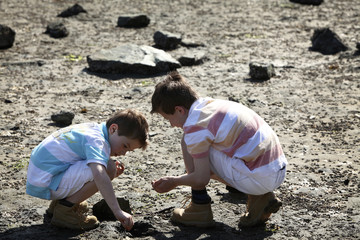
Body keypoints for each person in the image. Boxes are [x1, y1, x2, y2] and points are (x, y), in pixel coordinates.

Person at [150, 71, 287, 228]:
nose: (171, 125)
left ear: (179, 110)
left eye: (168, 119)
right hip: (277, 168)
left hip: (261, 177)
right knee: (200, 144)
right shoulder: (210, 105)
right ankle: (259, 197)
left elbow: (201, 179)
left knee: (188, 143)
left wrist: (174, 181)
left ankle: (199, 207)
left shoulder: (195, 126)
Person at [26, 109, 149, 231]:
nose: (123, 153)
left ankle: (58, 204)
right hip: (47, 181)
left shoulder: (94, 129)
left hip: (43, 176)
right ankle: (65, 210)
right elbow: (99, 174)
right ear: (113, 129)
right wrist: (117, 211)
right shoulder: (97, 141)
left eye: (128, 150)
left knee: (106, 166)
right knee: (107, 169)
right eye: (125, 146)